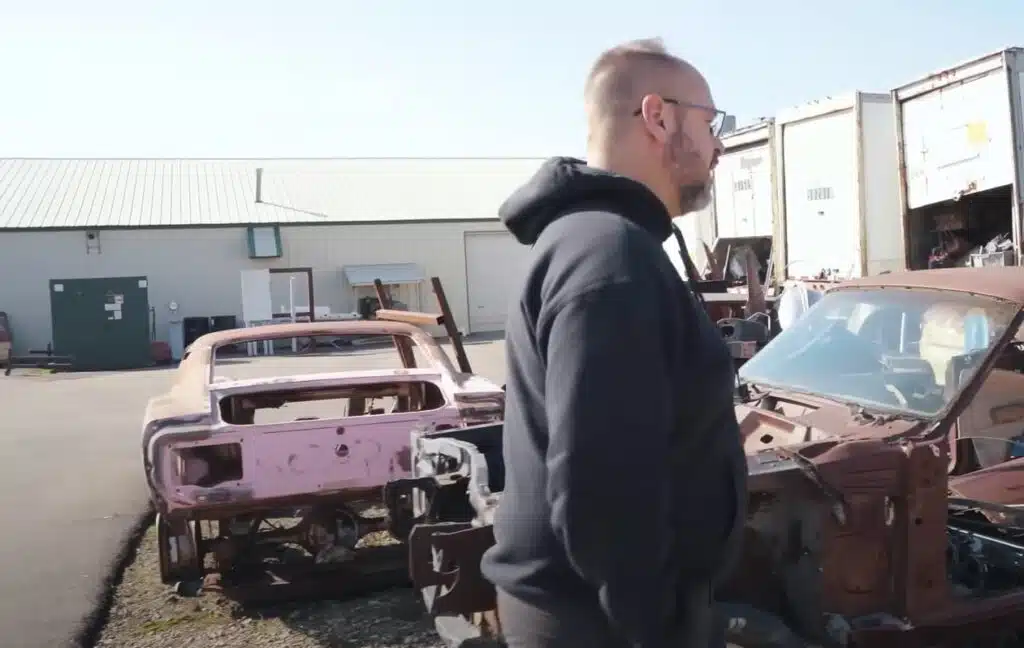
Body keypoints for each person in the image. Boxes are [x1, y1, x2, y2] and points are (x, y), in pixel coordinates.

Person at [479, 38, 747, 648]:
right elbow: (602, 485)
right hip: (601, 625)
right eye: (712, 122)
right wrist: (654, 624)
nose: (720, 144)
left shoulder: (602, 244)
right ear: (658, 116)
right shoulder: (611, 257)